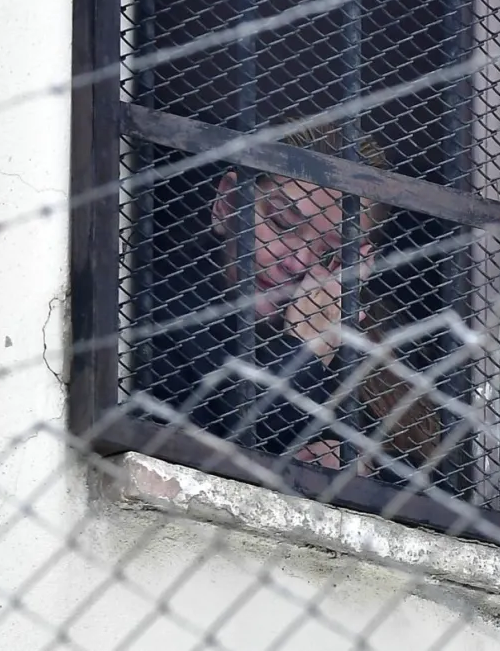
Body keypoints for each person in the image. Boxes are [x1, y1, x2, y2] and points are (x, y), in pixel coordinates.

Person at [142, 122, 449, 480]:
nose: (298, 262)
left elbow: (440, 491)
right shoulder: (153, 311)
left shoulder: (374, 363)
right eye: (283, 222)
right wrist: (304, 352)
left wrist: (363, 475)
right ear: (227, 201)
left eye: (332, 253)